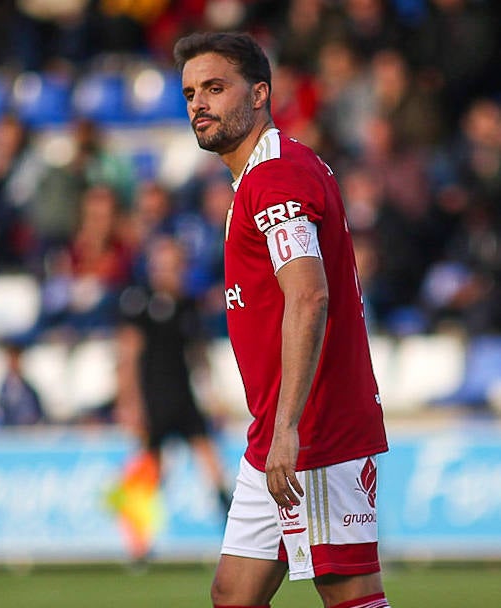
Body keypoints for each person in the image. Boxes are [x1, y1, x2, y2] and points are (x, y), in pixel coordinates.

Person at [174, 32, 390, 608]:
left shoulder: (274, 177)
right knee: (234, 595)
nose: (200, 103)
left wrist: (289, 427)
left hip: (312, 425)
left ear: (261, 93)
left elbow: (309, 296)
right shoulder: (265, 173)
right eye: (191, 91)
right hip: (275, 430)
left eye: (216, 88)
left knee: (348, 592)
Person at [116, 237, 233, 528]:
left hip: (184, 395)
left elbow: (198, 356)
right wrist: (129, 402)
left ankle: (232, 526)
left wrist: (212, 395)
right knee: (152, 468)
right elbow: (128, 356)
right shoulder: (140, 303)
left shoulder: (188, 307)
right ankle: (138, 539)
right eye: (161, 266)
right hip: (153, 397)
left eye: (172, 266)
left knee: (210, 459)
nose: (166, 273)